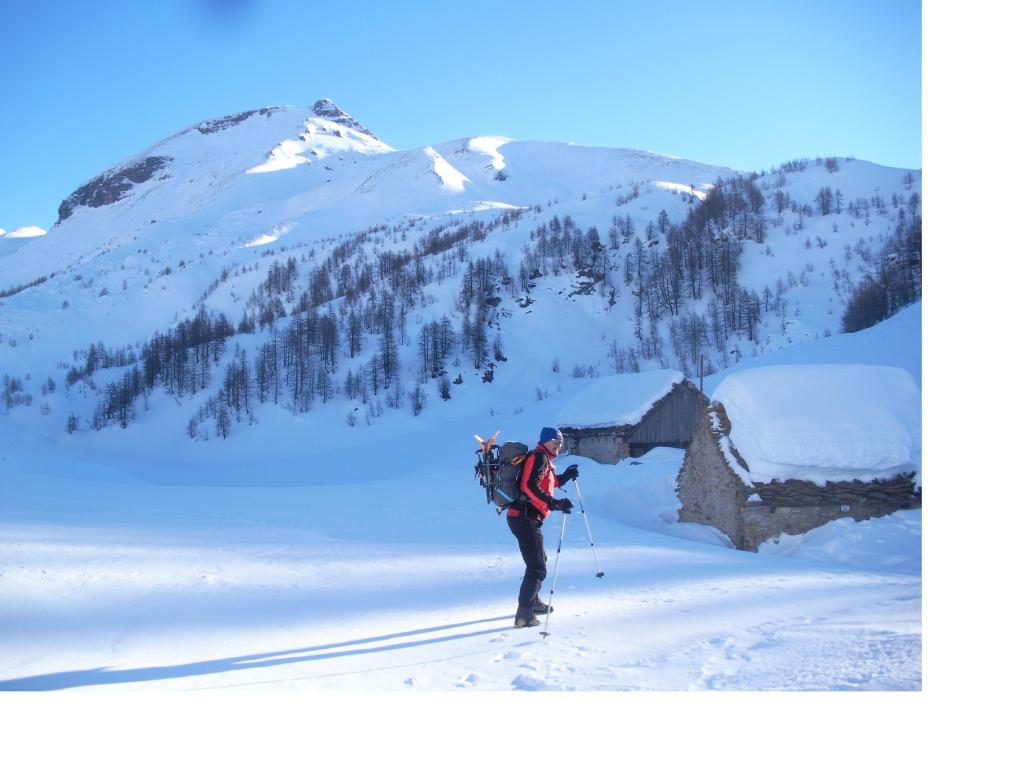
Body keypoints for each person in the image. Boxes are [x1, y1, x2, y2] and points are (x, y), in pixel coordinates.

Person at [506, 426, 579, 628]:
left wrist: (566, 476)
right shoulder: (539, 457)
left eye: (560, 442)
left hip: (523, 517)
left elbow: (547, 482)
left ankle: (534, 602)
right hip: (524, 517)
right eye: (554, 441)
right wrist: (555, 503)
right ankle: (524, 616)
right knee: (537, 568)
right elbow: (529, 486)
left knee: (539, 560)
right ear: (544, 441)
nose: (558, 445)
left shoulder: (543, 458)